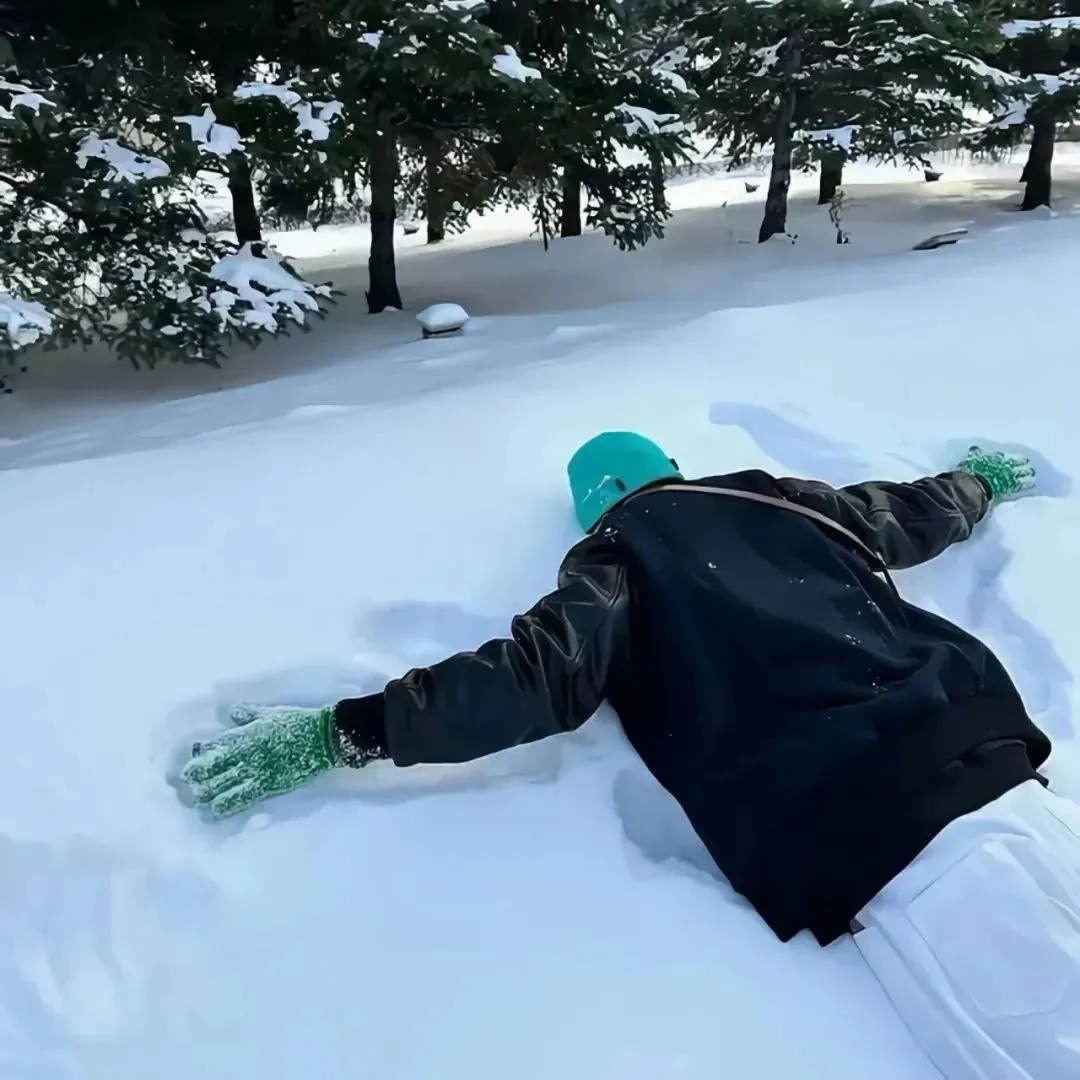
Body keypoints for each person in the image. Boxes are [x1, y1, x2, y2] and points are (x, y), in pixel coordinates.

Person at [179, 434, 1076, 1080]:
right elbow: (906, 512)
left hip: (878, 830)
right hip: (994, 754)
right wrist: (979, 483)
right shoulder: (777, 499)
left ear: (597, 502)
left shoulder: (618, 560)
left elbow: (532, 677)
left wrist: (344, 731)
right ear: (671, 468)